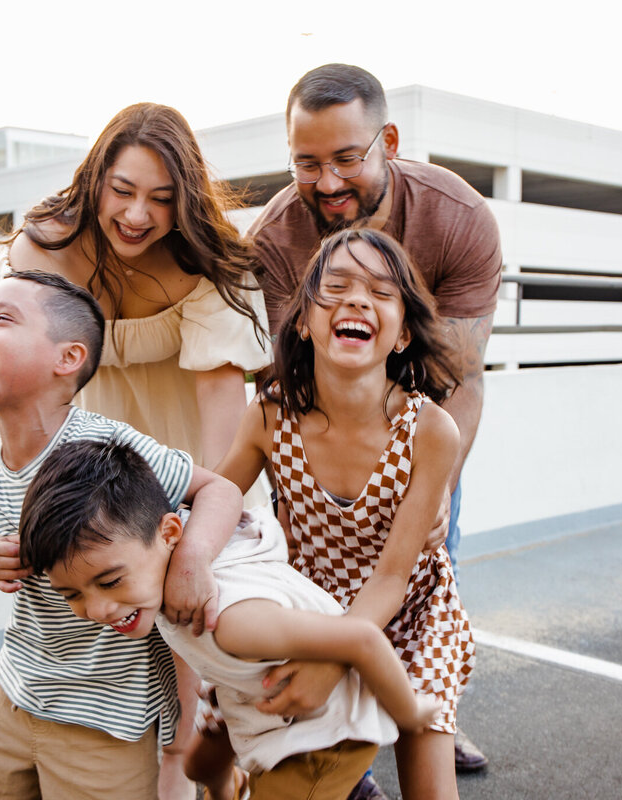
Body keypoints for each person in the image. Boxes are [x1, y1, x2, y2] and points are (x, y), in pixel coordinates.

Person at [0, 102, 272, 798]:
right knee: (104, 614)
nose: (138, 215)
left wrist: (197, 539)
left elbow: (221, 436)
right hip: (89, 445)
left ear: (186, 202)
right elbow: (21, 393)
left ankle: (195, 769)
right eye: (124, 191)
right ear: (96, 180)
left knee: (191, 641)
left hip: (184, 446)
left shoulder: (206, 265)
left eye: (162, 200)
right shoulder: (40, 250)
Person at [248, 63, 500, 777]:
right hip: (324, 438)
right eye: (307, 163)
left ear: (387, 140)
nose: (327, 182)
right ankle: (341, 755)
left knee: (423, 572)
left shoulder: (458, 218)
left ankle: (430, 715)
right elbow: (291, 380)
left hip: (423, 430)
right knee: (314, 586)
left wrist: (436, 485)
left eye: (347, 158)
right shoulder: (275, 242)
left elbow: (465, 375)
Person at [19, 437, 445, 800]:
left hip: (323, 733)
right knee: (199, 766)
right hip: (247, 690)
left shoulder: (234, 619)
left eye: (109, 582)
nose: (95, 610)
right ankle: (232, 786)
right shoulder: (169, 552)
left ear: (169, 534)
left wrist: (409, 715)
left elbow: (362, 640)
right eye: (71, 594)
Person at [0, 269, 242, 800]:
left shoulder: (105, 446)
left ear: (67, 359)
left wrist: (191, 560)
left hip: (107, 719)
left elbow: (219, 490)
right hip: (16, 692)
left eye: (2, 319)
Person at [215, 229, 473, 800]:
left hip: (408, 617)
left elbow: (391, 577)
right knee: (242, 759)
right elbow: (216, 501)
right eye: (336, 287)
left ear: (403, 333)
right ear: (304, 320)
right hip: (310, 610)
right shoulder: (270, 413)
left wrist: (334, 662)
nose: (357, 300)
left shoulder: (430, 431)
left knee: (431, 782)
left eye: (381, 292)